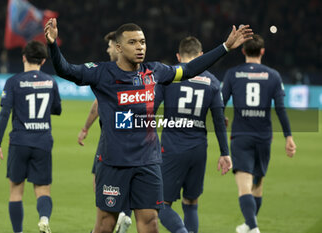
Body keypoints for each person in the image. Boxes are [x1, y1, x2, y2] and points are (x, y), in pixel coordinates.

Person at [44, 18, 252, 233]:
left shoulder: (155, 71)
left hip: (147, 162)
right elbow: (66, 70)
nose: (140, 47)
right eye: (133, 42)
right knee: (106, 224)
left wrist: (225, 47)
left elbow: (189, 70)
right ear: (118, 47)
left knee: (150, 222)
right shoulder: (101, 72)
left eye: (142, 42)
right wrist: (52, 45)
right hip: (114, 162)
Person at [221, 34, 296, 233]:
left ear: (243, 51)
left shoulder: (232, 74)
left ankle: (253, 228)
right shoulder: (273, 75)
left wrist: (221, 120)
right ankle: (249, 225)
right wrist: (288, 136)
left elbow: (220, 104)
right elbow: (280, 108)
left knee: (244, 186)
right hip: (264, 137)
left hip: (241, 136)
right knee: (258, 184)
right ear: (262, 51)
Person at [157, 36, 232, 233]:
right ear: (201, 56)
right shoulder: (213, 82)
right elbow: (219, 120)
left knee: (161, 204)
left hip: (172, 148)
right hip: (198, 149)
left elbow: (150, 109)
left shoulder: (168, 76)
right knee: (191, 202)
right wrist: (225, 153)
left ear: (178, 56)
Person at [0, 40, 62, 233]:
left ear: (24, 57)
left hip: (19, 142)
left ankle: (18, 232)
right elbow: (57, 109)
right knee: (43, 190)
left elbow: (4, 113)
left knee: (16, 191)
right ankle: (44, 218)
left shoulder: (13, 82)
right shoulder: (50, 81)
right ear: (43, 61)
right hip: (42, 142)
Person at [77, 31, 132, 233]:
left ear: (118, 47)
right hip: (134, 139)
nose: (107, 49)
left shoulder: (110, 72)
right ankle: (124, 213)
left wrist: (85, 128)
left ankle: (110, 220)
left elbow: (97, 106)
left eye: (109, 45)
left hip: (111, 140)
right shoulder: (136, 72)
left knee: (101, 184)